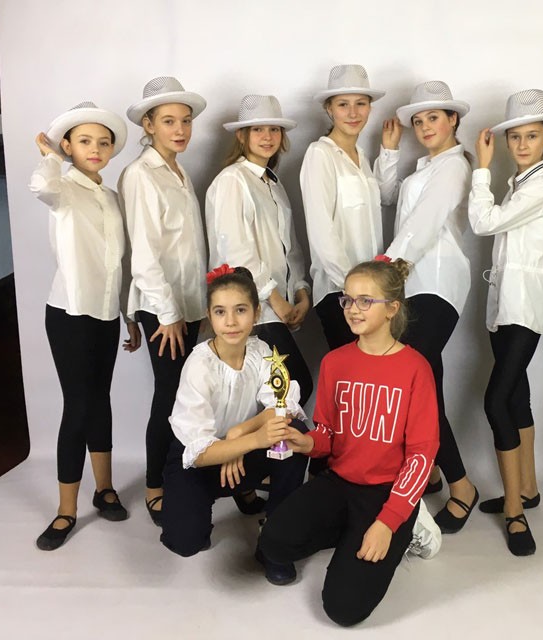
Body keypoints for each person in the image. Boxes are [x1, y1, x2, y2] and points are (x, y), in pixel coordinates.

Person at [258, 258, 440, 627]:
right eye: (347, 299)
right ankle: (351, 533)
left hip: (387, 493)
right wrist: (305, 442)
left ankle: (411, 523)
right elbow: (327, 432)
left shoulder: (415, 368)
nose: (353, 309)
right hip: (340, 483)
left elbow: (421, 456)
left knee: (344, 609)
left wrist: (387, 522)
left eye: (365, 301)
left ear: (392, 308)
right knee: (272, 543)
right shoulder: (335, 362)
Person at [30, 102, 140, 550]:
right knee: (77, 406)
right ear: (68, 146)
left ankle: (104, 488)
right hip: (70, 314)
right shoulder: (61, 187)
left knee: (101, 400)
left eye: (103, 142)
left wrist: (128, 314)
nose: (95, 149)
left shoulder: (111, 197)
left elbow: (118, 264)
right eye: (84, 141)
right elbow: (40, 186)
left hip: (106, 313)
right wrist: (49, 157)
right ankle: (66, 510)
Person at [160, 265, 309, 585]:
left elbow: (284, 404)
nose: (230, 321)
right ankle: (216, 501)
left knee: (295, 435)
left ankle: (274, 543)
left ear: (256, 313)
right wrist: (244, 442)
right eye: (220, 312)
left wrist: (240, 433)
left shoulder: (262, 352)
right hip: (200, 462)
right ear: (209, 316)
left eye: (240, 310)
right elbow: (199, 451)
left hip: (241, 449)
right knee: (186, 540)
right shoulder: (199, 365)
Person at [374, 80, 479, 533]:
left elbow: (425, 221)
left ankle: (462, 486)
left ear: (453, 119)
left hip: (435, 284)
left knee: (418, 389)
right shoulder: (424, 167)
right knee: (424, 388)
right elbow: (386, 197)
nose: (424, 127)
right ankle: (431, 472)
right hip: (411, 287)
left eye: (433, 117)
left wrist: (385, 271)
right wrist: (389, 152)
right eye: (418, 121)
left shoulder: (454, 166)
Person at [468, 89, 543, 556]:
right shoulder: (522, 183)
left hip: (523, 309)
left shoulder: (541, 187)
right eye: (516, 137)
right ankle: (527, 488)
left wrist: (481, 168)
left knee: (496, 401)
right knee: (516, 395)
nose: (523, 144)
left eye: (532, 136)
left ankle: (514, 510)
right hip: (506, 306)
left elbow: (484, 222)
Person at [118, 76, 207, 526]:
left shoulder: (178, 172)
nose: (180, 129)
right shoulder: (141, 174)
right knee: (170, 395)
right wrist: (165, 315)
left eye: (185, 121)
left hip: (189, 303)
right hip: (163, 308)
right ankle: (156, 485)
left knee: (188, 395)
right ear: (148, 125)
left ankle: (181, 475)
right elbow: (144, 254)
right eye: (169, 121)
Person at [205, 95, 314, 412]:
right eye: (258, 130)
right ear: (241, 136)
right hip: (252, 309)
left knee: (276, 392)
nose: (267, 137)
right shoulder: (233, 180)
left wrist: (301, 293)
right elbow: (237, 250)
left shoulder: (274, 185)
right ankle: (253, 444)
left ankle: (258, 444)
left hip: (276, 307)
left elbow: (290, 249)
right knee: (291, 386)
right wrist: (275, 299)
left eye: (274, 129)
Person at [302, 64, 385, 351]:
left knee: (371, 373)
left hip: (371, 293)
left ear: (370, 108)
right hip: (340, 293)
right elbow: (321, 228)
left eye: (360, 103)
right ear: (329, 109)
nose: (352, 113)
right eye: (343, 104)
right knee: (350, 371)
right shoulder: (320, 154)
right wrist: (353, 292)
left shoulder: (362, 158)